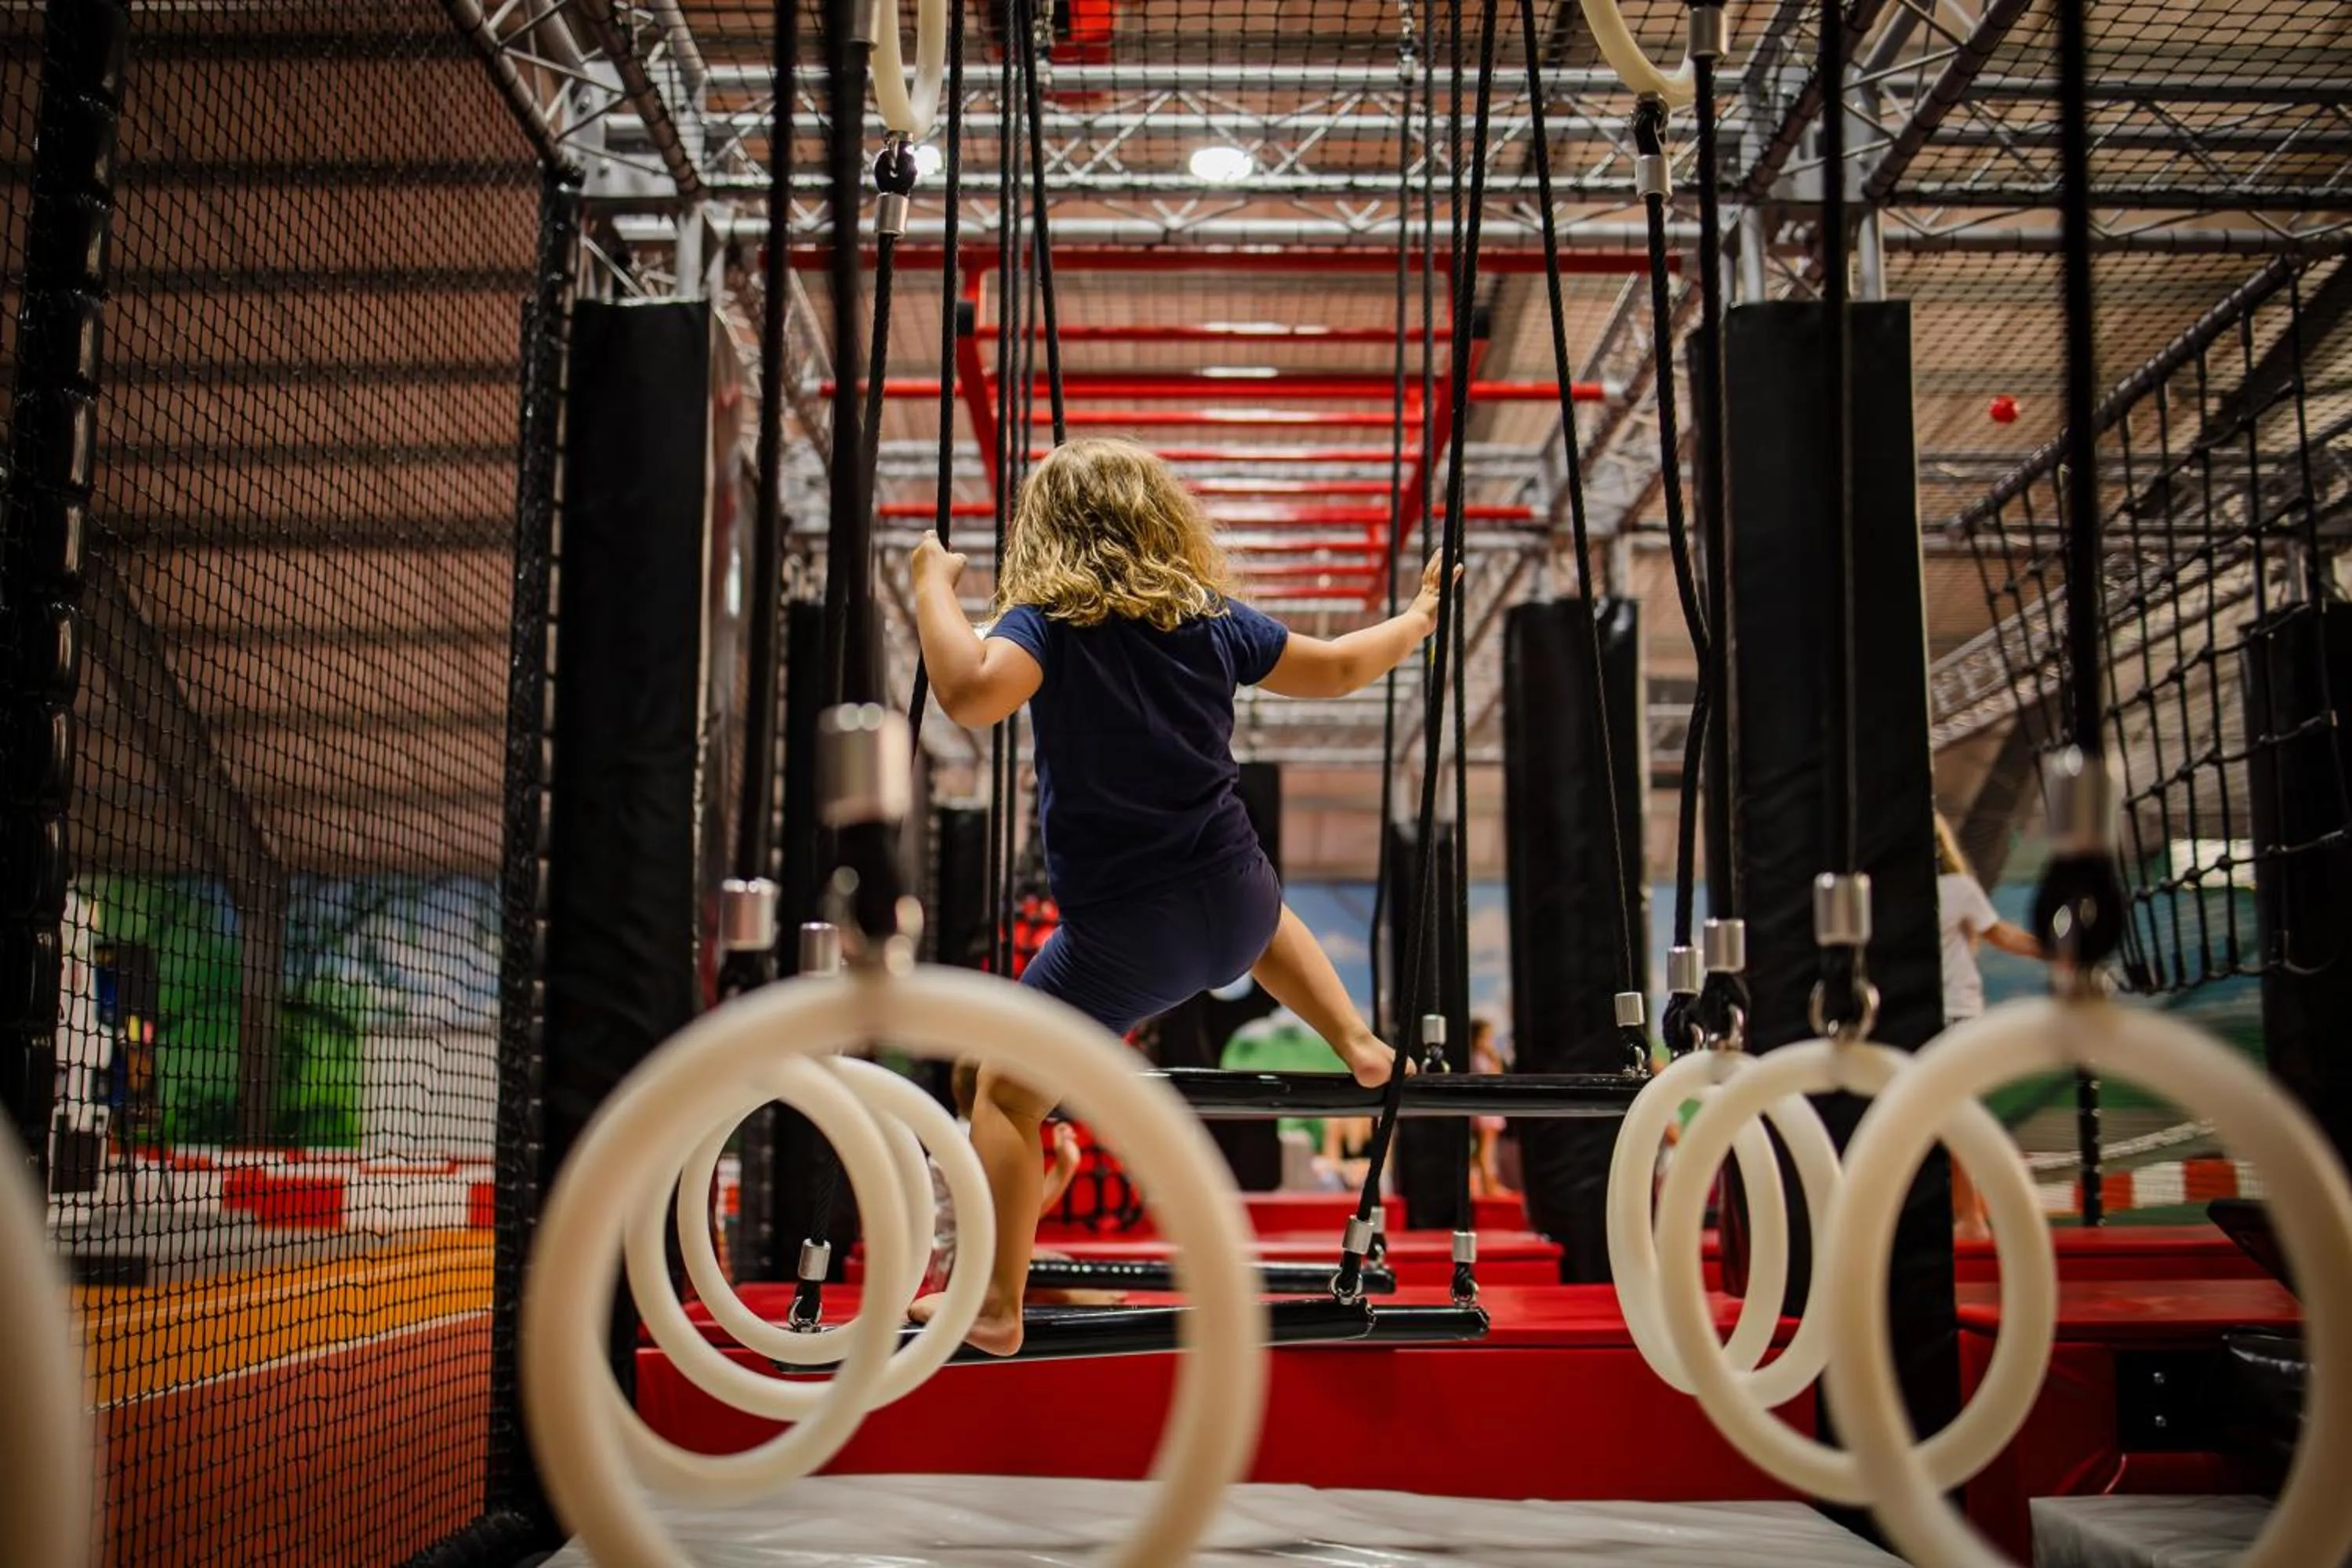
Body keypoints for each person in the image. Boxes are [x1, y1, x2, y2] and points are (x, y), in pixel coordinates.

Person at [906, 437, 1450, 1354]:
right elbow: (1343, 668)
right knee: (1268, 911)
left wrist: (929, 579)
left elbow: (964, 690)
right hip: (1235, 900)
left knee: (1003, 1091)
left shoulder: (1049, 622)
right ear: (1164, 520)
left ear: (1046, 533)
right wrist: (1421, 616)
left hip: (1127, 932)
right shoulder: (1211, 618)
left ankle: (996, 1305)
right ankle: (1355, 1038)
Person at [1936, 811, 2044, 1237]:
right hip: (1945, 1017)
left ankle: (1971, 1216)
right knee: (1948, 1121)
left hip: (1953, 1016)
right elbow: (2000, 936)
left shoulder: (1947, 891)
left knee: (1951, 1119)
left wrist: (2054, 950)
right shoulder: (1939, 892)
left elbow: (2000, 935)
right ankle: (1969, 1215)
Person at [1468, 1018, 1512, 1199]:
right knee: (1487, 1150)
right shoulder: (1479, 1057)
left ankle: (1482, 1185)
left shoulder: (1476, 1057)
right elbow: (1494, 1077)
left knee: (1481, 1151)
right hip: (1485, 1110)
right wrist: (1494, 1057)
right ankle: (1489, 1186)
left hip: (1484, 1108)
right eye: (1487, 1037)